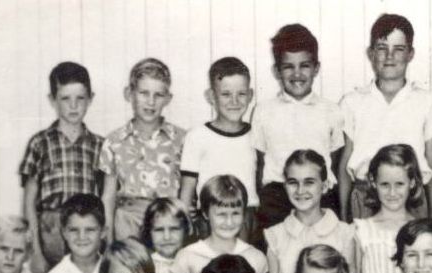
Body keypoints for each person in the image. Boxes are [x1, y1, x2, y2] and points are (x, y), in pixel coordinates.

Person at [338, 13, 432, 221]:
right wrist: (343, 217)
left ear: (410, 54)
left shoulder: (428, 102)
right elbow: (345, 162)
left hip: (412, 199)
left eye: (399, 49)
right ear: (371, 53)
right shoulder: (352, 102)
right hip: (365, 197)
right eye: (382, 49)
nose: (390, 56)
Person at [253, 24, 343, 229]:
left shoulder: (331, 110)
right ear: (277, 70)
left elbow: (335, 160)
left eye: (304, 65)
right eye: (288, 66)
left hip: (321, 197)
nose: (297, 73)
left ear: (316, 68)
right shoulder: (264, 110)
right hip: (277, 199)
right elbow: (259, 163)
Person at [19, 62, 103, 273]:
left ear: (90, 99)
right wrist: (36, 253)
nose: (73, 106)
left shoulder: (101, 146)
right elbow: (29, 203)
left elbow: (106, 198)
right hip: (52, 232)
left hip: (87, 230)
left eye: (80, 99)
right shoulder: (40, 143)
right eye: (65, 99)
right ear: (52, 100)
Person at [261, 150, 356, 273]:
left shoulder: (344, 234)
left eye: (309, 182)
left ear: (325, 185)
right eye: (293, 183)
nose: (300, 190)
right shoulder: (276, 235)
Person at [98, 58, 185, 242]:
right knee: (131, 269)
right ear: (129, 94)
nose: (151, 102)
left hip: (168, 223)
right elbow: (109, 197)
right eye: (144, 93)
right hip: (128, 221)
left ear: (168, 99)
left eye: (158, 95)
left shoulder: (181, 139)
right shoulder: (114, 141)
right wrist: (109, 244)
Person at [171, 175, 268, 273]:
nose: (229, 222)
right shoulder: (188, 256)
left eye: (235, 213)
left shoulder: (256, 258)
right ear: (206, 213)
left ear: (244, 213)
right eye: (221, 214)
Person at [179, 57, 257, 245]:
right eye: (226, 94)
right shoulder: (197, 136)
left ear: (251, 95)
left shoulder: (256, 134)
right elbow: (187, 188)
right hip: (209, 219)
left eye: (241, 94)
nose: (234, 101)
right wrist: (184, 218)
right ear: (211, 96)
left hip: (247, 218)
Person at [352, 144, 420, 273]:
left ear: (411, 182)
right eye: (384, 184)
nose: (392, 192)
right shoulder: (361, 230)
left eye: (399, 184)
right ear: (373, 182)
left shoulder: (422, 230)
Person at [140, 198, 189, 273]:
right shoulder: (143, 265)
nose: (167, 237)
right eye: (159, 230)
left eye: (174, 229)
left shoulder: (190, 263)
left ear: (186, 230)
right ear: (148, 232)